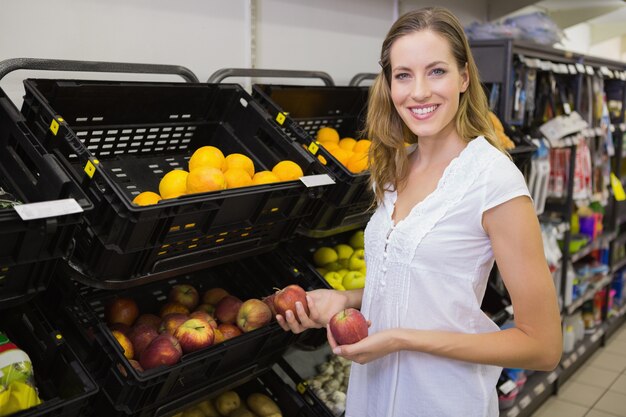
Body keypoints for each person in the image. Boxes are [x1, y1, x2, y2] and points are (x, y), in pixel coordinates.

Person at [277, 7, 562, 417]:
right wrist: (345, 299)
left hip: (441, 401)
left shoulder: (493, 180)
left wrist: (402, 340)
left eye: (437, 71)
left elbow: (543, 347)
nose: (419, 92)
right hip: (372, 398)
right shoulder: (394, 168)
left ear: (464, 77)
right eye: (404, 75)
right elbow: (419, 285)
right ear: (389, 84)